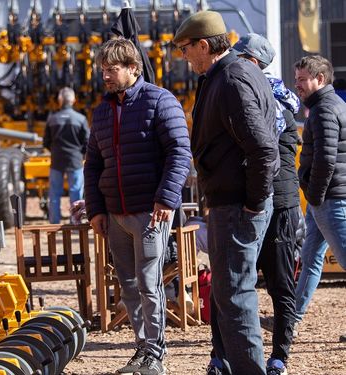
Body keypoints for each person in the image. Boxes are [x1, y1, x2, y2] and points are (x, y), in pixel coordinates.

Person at [173, 11, 279, 375]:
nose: (183, 56)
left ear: (204, 45)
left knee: (234, 297)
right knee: (230, 295)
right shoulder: (229, 75)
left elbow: (264, 150)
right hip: (232, 202)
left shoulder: (231, 79)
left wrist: (252, 204)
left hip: (237, 206)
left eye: (186, 49)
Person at [84, 38, 191, 375]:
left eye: (111, 70)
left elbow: (179, 152)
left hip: (150, 212)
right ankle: (142, 347)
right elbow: (94, 165)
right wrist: (96, 211)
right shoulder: (102, 111)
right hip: (116, 215)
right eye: (102, 71)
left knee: (149, 282)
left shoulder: (160, 101)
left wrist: (165, 199)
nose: (105, 77)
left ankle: (155, 354)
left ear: (132, 67)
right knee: (128, 285)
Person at [233, 33, 301, 375]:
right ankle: (228, 355)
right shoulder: (255, 97)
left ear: (255, 63)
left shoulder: (277, 105)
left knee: (279, 283)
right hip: (255, 200)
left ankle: (280, 357)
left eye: (240, 57)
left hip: (280, 203)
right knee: (238, 283)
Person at [294, 55, 346, 325]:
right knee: (311, 257)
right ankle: (292, 319)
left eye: (302, 80)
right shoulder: (327, 105)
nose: (297, 85)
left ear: (320, 79)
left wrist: (314, 197)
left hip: (329, 199)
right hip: (326, 198)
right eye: (296, 80)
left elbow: (325, 158)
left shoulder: (324, 109)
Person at [43, 87, 90, 224]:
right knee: (76, 192)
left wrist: (55, 151)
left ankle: (54, 222)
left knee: (54, 193)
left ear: (59, 101)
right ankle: (75, 221)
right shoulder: (80, 119)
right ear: (74, 100)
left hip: (57, 160)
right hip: (75, 160)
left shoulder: (52, 119)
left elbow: (46, 141)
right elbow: (87, 142)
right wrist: (80, 154)